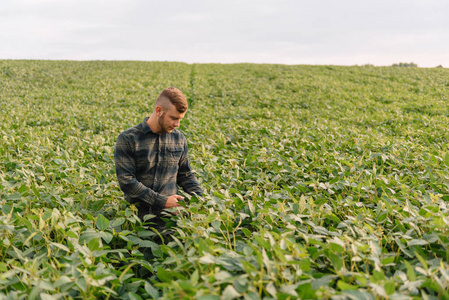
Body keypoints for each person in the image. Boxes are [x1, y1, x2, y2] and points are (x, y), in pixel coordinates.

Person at [114, 87, 203, 234]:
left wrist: (200, 200)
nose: (177, 124)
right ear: (159, 110)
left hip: (171, 223)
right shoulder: (128, 138)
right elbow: (127, 181)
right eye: (174, 118)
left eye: (180, 119)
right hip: (137, 223)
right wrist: (163, 201)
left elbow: (185, 175)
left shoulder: (179, 139)